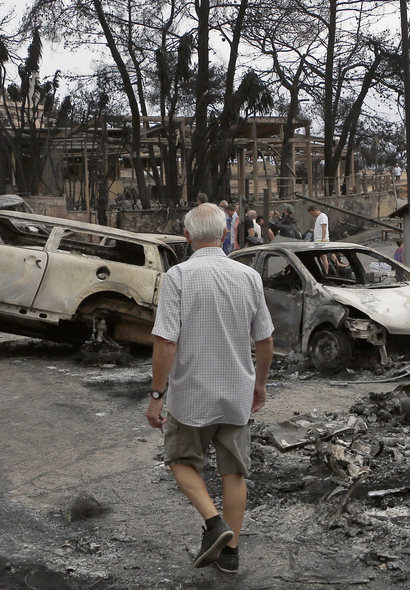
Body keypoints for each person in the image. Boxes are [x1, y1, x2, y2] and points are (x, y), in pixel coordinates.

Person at [146, 203, 274, 574]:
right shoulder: (248, 276)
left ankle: (213, 523)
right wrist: (260, 385)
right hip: (237, 393)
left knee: (181, 461)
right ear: (227, 234)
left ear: (187, 237)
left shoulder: (179, 276)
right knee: (234, 474)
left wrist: (157, 395)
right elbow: (265, 341)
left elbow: (166, 342)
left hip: (191, 397)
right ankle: (231, 554)